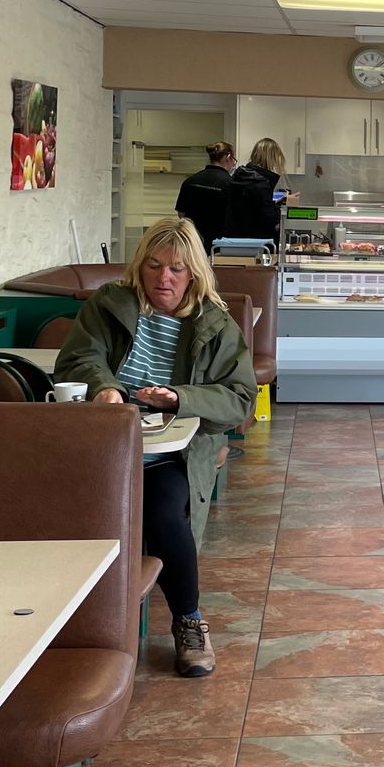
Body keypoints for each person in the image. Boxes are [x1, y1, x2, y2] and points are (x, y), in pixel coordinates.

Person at [55, 216, 256, 677]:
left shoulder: (216, 325)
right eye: (153, 265)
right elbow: (78, 358)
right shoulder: (109, 305)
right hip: (102, 448)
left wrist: (181, 398)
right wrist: (103, 388)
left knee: (164, 514)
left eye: (176, 269)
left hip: (173, 455)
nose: (163, 278)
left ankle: (189, 621)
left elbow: (240, 398)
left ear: (194, 275)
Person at [222, 136, 288, 245]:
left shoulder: (238, 176)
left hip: (234, 241)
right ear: (272, 159)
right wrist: (277, 209)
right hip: (258, 244)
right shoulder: (260, 183)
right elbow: (269, 218)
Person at [174, 141, 236, 251]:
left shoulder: (190, 181)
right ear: (228, 157)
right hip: (220, 247)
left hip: (193, 244)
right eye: (234, 161)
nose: (233, 165)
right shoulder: (232, 185)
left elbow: (181, 214)